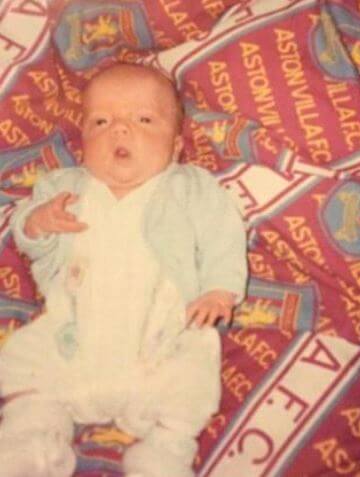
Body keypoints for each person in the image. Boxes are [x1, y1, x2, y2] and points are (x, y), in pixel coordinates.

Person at [0, 63, 247, 477]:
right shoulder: (63, 187)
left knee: (193, 376)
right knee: (28, 370)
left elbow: (224, 235)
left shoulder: (190, 187)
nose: (119, 130)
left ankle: (165, 451)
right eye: (100, 121)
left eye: (143, 119)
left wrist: (219, 288)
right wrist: (38, 222)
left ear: (177, 145)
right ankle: (34, 439)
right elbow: (27, 235)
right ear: (82, 140)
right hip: (73, 337)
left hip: (159, 340)